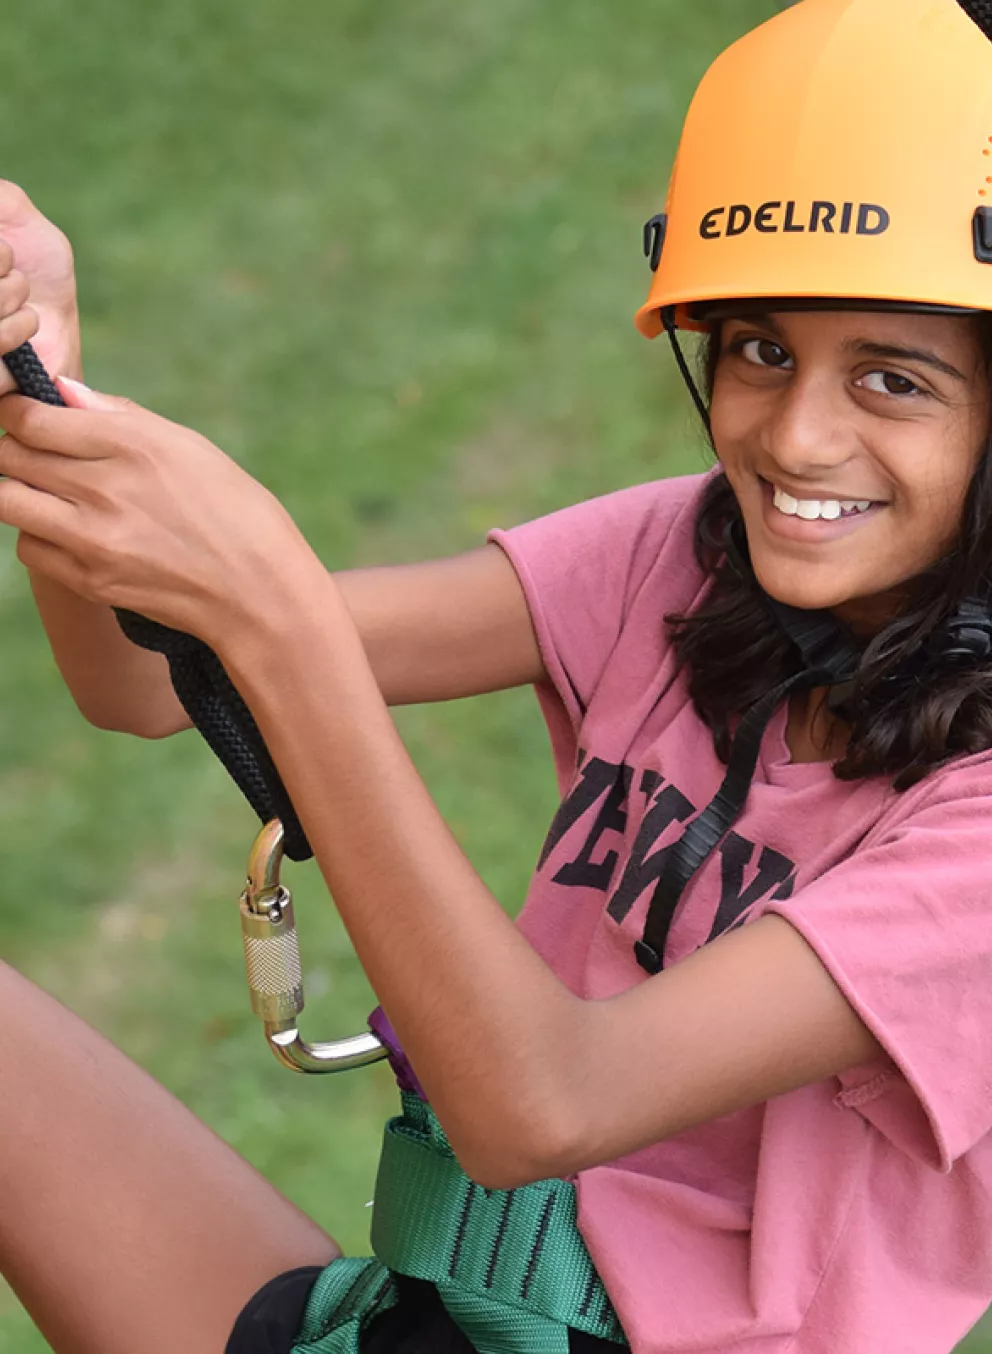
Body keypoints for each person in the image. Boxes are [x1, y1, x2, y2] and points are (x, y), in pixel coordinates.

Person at [0, 0, 991, 1349]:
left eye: (892, 379)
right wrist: (39, 388)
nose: (798, 436)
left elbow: (543, 1104)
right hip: (446, 1310)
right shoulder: (689, 559)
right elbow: (149, 679)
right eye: (761, 347)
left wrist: (280, 620)